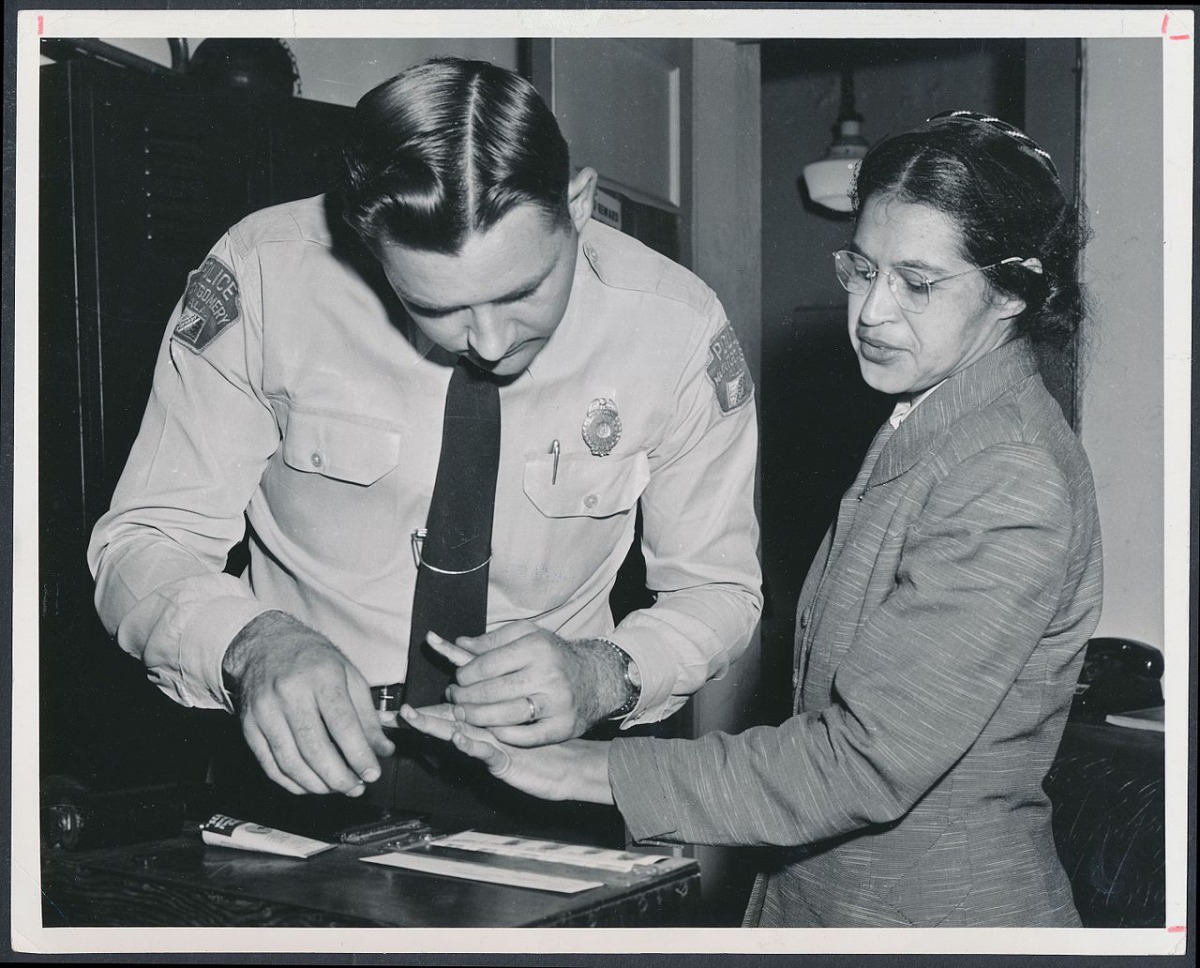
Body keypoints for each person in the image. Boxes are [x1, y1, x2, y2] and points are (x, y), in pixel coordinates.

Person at [404, 110, 1104, 926]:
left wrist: (581, 770)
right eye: (862, 269)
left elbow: (865, 762)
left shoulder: (1007, 472)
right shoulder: (938, 419)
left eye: (917, 283)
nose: (872, 312)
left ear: (1011, 292)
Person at [88, 57, 761, 828]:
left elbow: (721, 589)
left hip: (553, 774)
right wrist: (251, 644)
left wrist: (607, 672)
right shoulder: (265, 276)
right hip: (300, 768)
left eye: (523, 291)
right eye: (434, 306)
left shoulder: (675, 328)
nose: (490, 341)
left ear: (577, 203)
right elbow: (144, 541)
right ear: (364, 241)